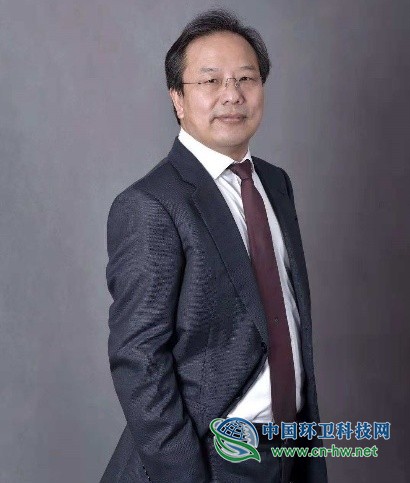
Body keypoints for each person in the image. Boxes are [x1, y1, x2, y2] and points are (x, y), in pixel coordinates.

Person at [100, 9, 328, 483]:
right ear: (178, 99)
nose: (232, 94)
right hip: (211, 459)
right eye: (210, 81)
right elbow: (138, 361)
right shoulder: (151, 204)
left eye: (246, 78)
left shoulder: (275, 184)